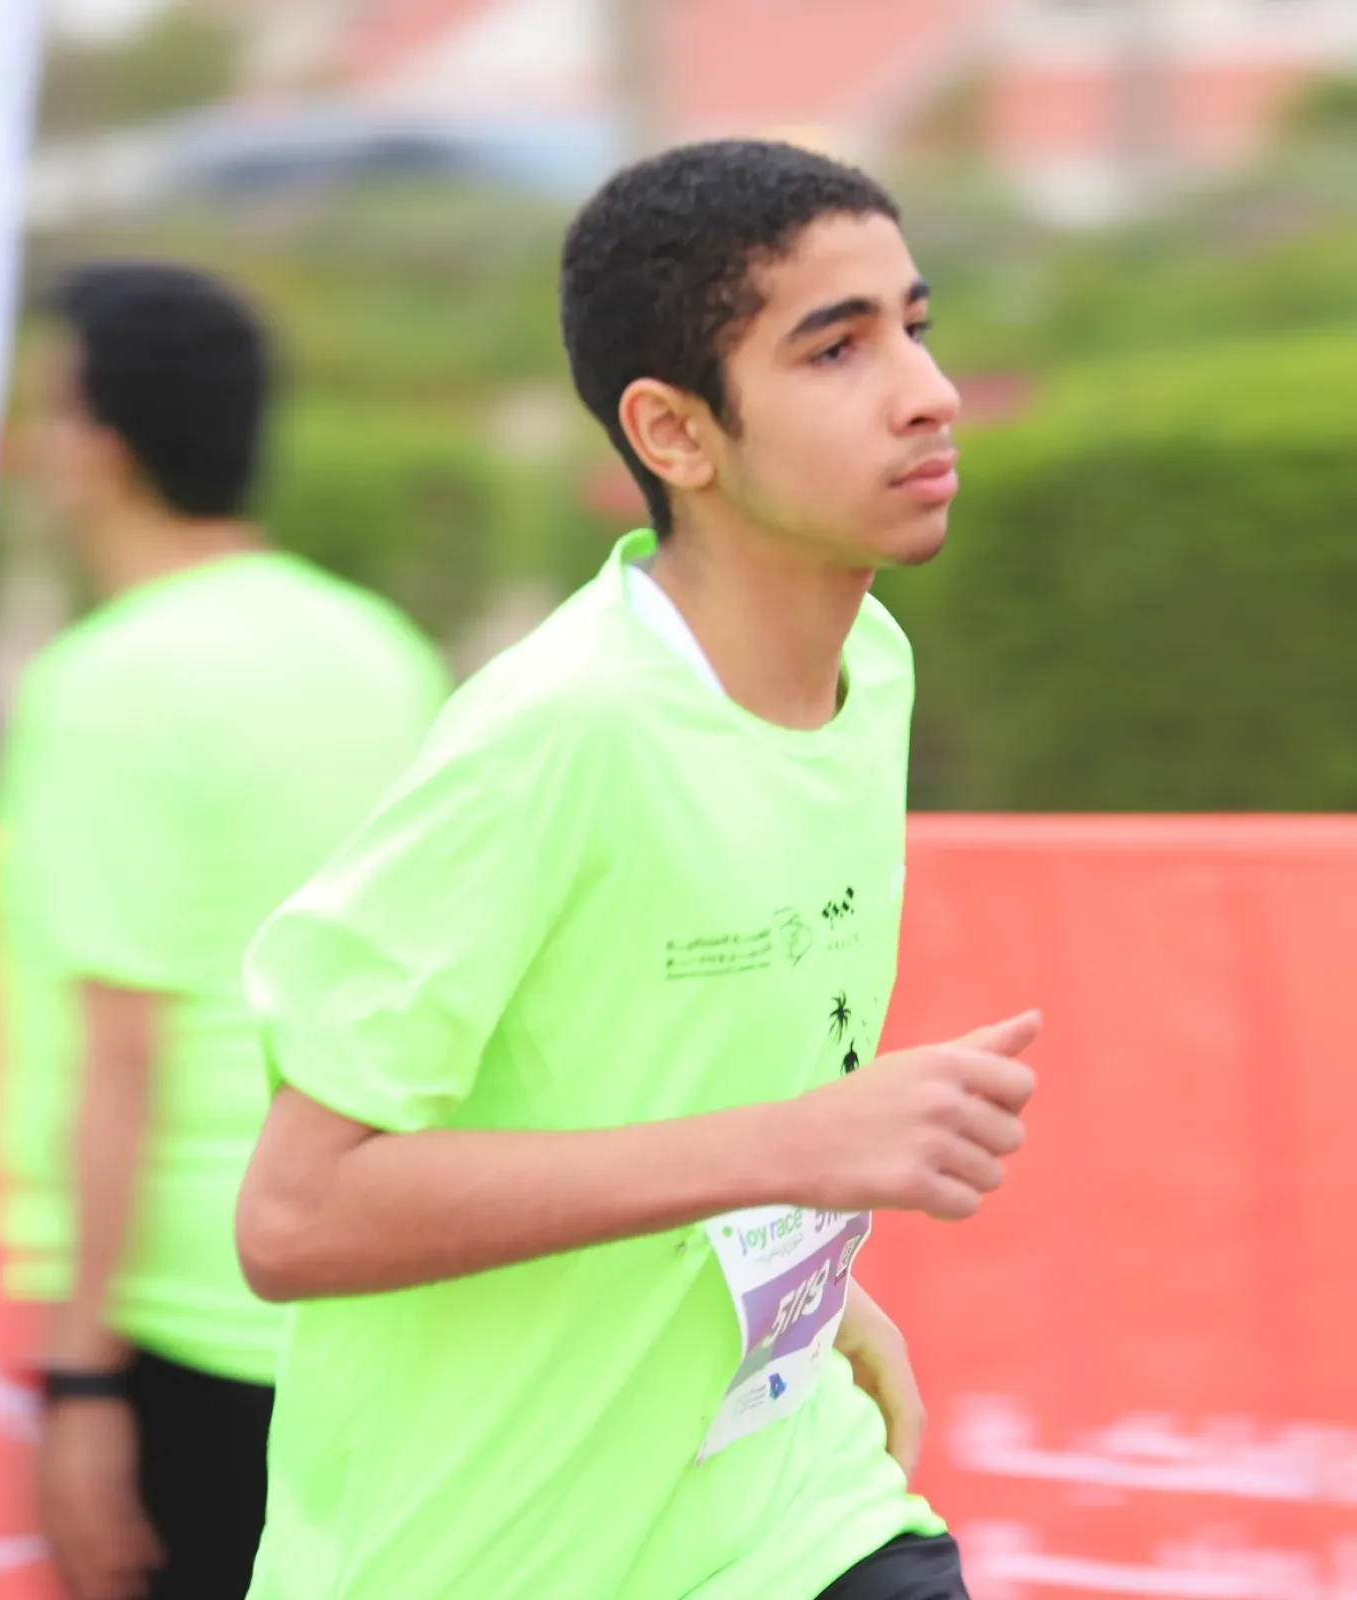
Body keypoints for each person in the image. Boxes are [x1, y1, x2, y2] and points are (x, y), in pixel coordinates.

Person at [235, 141, 1040, 1600]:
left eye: (914, 327)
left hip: (791, 1524)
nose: (928, 393)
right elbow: (295, 1218)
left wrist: (814, 1290)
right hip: (483, 1562)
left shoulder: (870, 666)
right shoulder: (556, 736)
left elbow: (673, 1077)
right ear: (674, 432)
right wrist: (797, 1149)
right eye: (837, 349)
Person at [0, 262, 451, 1600]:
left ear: (100, 448)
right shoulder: (384, 651)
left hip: (176, 1320)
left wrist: (82, 1383)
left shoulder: (103, 688)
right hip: (368, 1305)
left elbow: (116, 1056)